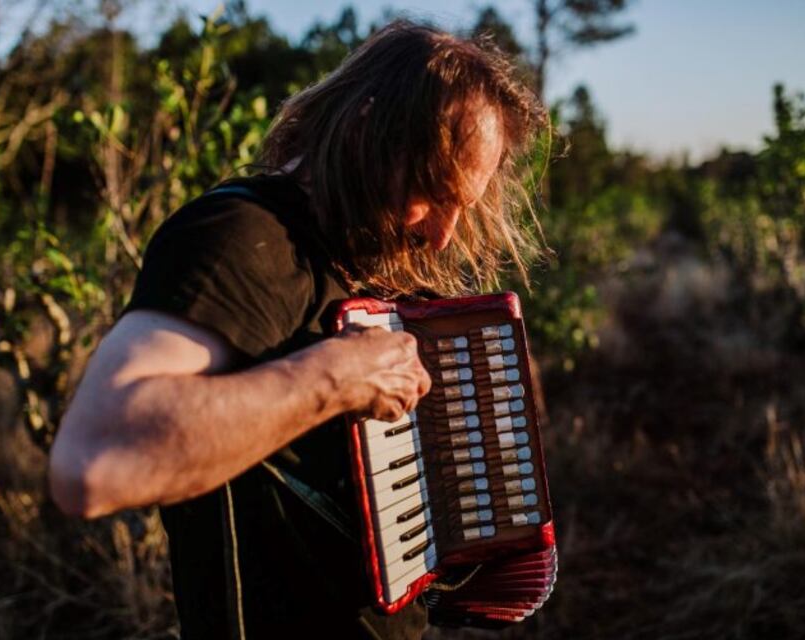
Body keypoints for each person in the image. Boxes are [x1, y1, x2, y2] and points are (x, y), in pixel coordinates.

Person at [48, 20, 546, 640]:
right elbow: (90, 465)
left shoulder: (379, 264)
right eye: (431, 191)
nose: (441, 234)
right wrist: (334, 377)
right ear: (367, 131)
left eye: (461, 206)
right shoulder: (239, 238)